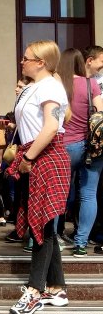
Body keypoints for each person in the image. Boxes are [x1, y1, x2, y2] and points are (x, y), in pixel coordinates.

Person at [0, 41, 70, 314]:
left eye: (26, 58)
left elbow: (52, 126)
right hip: (37, 154)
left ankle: (35, 289)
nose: (22, 61)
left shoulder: (50, 86)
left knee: (41, 222)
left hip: (45, 157)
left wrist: (28, 157)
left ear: (41, 62)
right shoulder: (34, 87)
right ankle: (56, 287)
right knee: (43, 223)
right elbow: (38, 123)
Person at [57, 48, 103, 256]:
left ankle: (52, 239)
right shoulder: (90, 84)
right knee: (88, 194)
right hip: (91, 147)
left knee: (58, 193)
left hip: (64, 146)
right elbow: (100, 113)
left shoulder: (59, 85)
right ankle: (81, 244)